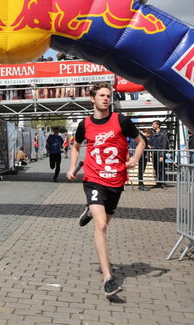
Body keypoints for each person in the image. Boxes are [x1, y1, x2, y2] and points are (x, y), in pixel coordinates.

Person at [67, 82, 145, 297]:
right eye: (101, 95)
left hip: (116, 181)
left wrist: (135, 159)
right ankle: (108, 278)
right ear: (92, 99)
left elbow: (141, 142)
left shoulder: (121, 120)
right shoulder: (85, 124)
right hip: (93, 178)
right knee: (101, 226)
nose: (105, 99)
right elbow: (76, 145)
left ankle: (90, 210)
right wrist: (73, 167)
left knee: (105, 222)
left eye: (108, 96)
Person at [149, 120, 170, 189]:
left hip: (159, 154)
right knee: (156, 168)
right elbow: (151, 144)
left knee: (161, 168)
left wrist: (162, 155)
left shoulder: (163, 134)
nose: (152, 125)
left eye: (153, 124)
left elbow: (164, 145)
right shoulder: (153, 134)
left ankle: (163, 183)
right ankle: (158, 182)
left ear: (158, 125)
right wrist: (151, 152)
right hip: (154, 153)